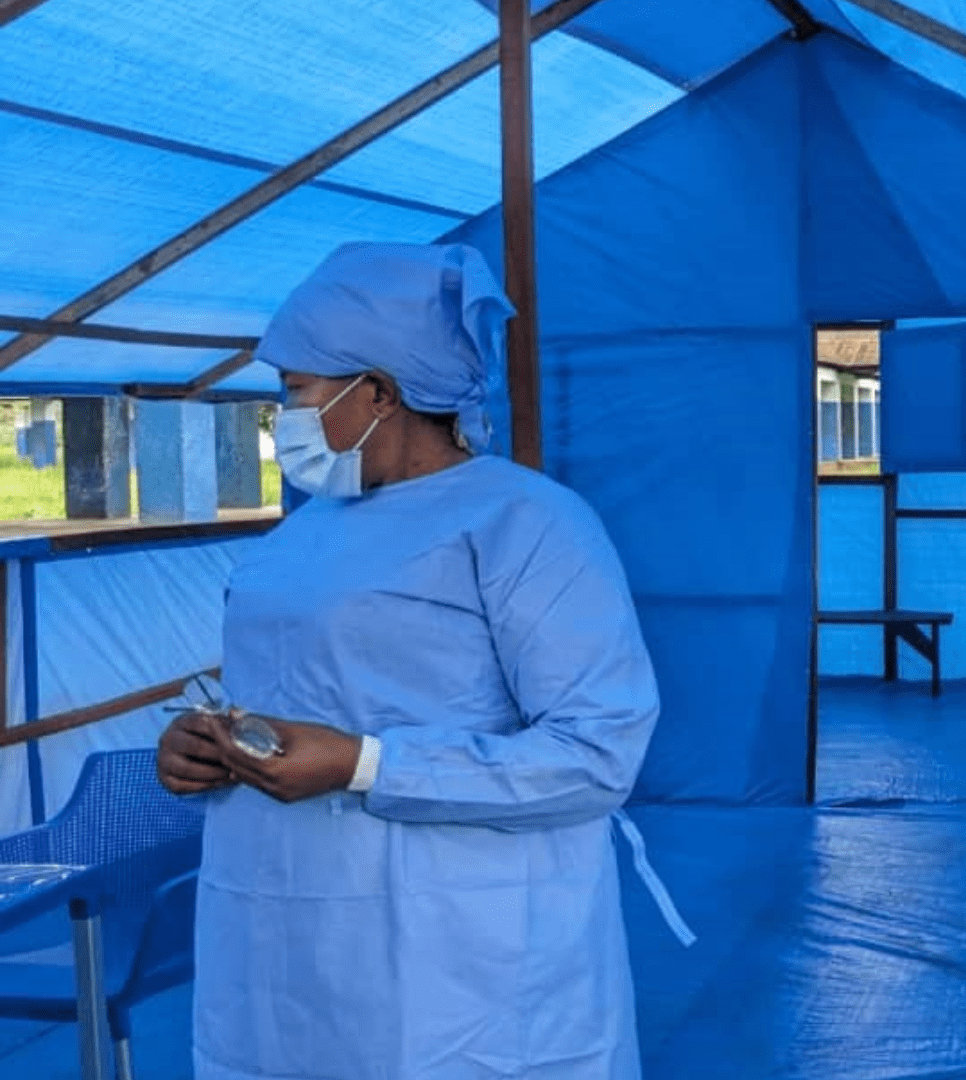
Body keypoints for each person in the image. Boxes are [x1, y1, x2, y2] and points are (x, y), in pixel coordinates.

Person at [154, 242, 666, 1080]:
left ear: (379, 393)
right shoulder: (306, 528)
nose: (281, 415)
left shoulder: (527, 524)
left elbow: (597, 753)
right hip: (282, 936)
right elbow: (286, 691)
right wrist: (203, 746)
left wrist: (365, 764)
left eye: (295, 390)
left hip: (460, 954)